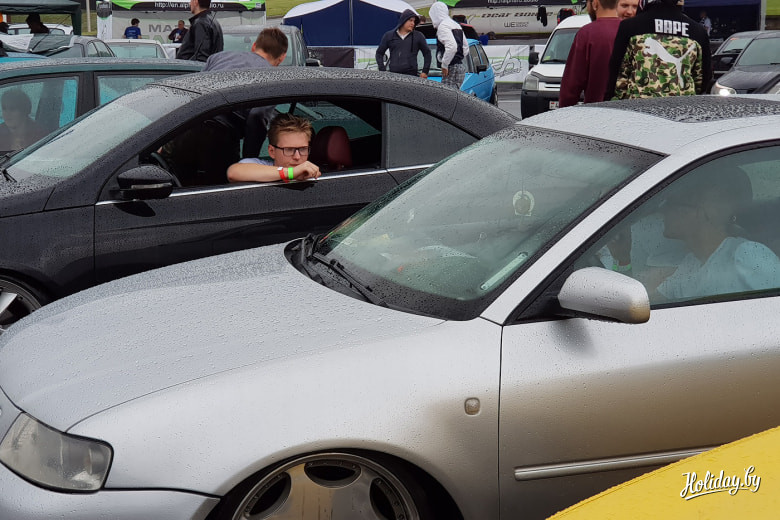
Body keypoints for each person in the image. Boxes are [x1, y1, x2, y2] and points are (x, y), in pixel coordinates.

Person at [655, 169, 780, 301]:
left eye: (670, 204)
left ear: (699, 212)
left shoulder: (747, 253)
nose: (663, 211)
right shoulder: (691, 263)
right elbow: (652, 301)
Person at [203, 27, 288, 158]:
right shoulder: (272, 78)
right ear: (282, 57)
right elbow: (257, 116)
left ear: (254, 46)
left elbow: (194, 92)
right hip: (221, 140)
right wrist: (249, 160)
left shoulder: (217, 58)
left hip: (186, 129)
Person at [605, 0, 712, 99]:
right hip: (681, 108)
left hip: (636, 108)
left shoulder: (630, 27)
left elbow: (618, 76)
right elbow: (703, 81)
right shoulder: (698, 32)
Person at [558, 0, 622, 107]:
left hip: (596, 110)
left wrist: (564, 110)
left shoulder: (586, 34)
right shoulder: (630, 30)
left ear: (595, 4)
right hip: (629, 111)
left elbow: (572, 85)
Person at [227, 113, 321, 183]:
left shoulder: (317, 173)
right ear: (272, 151)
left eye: (303, 149)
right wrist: (291, 173)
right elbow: (234, 173)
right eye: (289, 149)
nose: (297, 157)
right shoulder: (260, 166)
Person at [375, 9, 431, 78]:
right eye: (410, 20)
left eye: (414, 21)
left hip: (412, 76)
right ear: (404, 20)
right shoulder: (389, 36)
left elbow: (427, 53)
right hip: (393, 76)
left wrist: (425, 71)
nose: (413, 23)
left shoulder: (418, 36)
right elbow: (379, 53)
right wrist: (382, 70)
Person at [429, 1, 469, 89]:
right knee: (456, 94)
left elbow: (452, 47)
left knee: (446, 95)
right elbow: (465, 48)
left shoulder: (443, 26)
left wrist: (444, 64)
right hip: (460, 67)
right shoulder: (456, 25)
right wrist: (458, 57)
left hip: (451, 68)